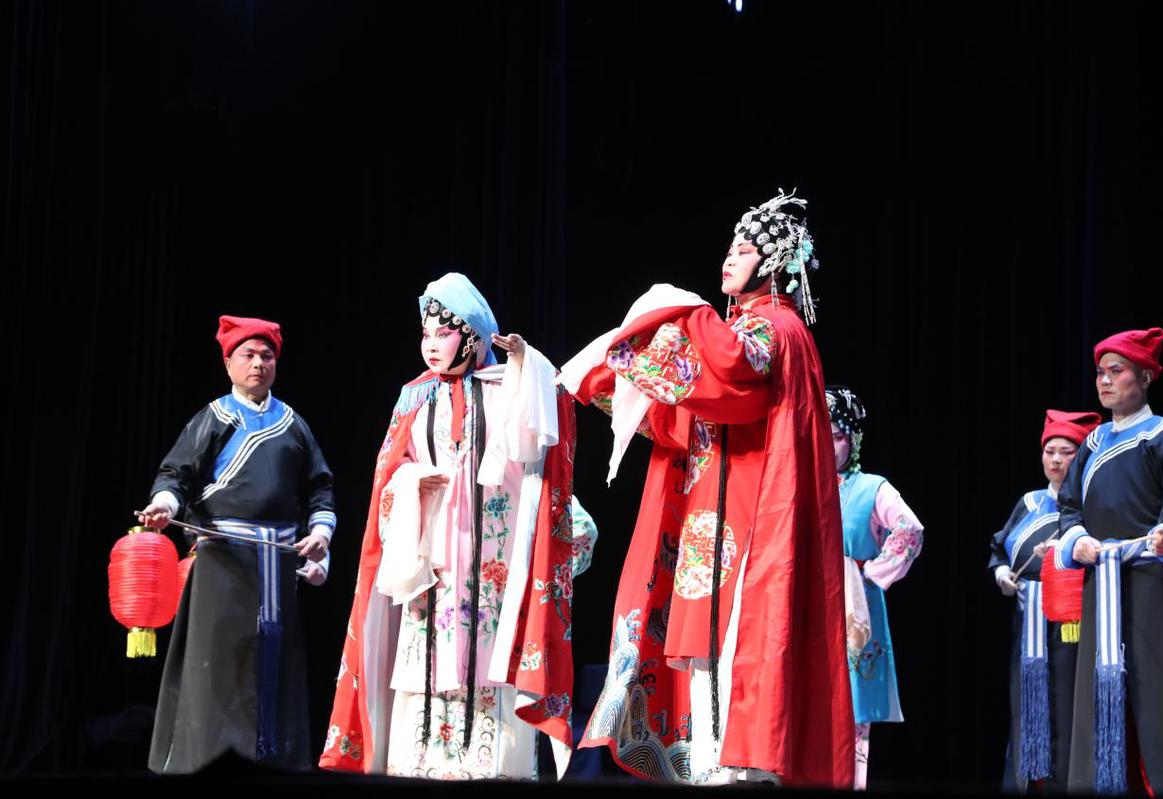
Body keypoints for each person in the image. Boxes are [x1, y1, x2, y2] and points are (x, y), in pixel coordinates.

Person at [560, 190, 854, 787]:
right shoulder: (741, 328)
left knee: (733, 644)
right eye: (729, 248)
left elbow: (732, 369)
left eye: (743, 250)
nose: (728, 258)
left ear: (774, 263)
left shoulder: (777, 329)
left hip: (750, 516)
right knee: (700, 651)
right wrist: (610, 381)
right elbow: (684, 413)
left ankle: (737, 768)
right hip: (707, 515)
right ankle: (709, 767)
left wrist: (683, 311)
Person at [321, 273, 590, 780]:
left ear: (471, 336)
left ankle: (493, 767)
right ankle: (418, 764)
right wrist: (411, 482)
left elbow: (547, 430)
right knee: (426, 654)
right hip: (434, 559)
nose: (430, 345)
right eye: (425, 334)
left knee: (491, 654)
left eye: (442, 334)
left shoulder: (509, 386)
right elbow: (389, 474)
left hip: (493, 556)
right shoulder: (414, 397)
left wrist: (525, 362)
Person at [137, 315, 336, 773]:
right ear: (228, 363)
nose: (258, 363)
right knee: (218, 666)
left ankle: (276, 763)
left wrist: (321, 536)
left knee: (274, 663)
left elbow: (320, 489)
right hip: (222, 561)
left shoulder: (293, 424)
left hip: (277, 564)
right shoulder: (214, 418)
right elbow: (176, 475)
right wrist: (164, 505)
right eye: (248, 355)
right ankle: (206, 764)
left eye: (267, 356)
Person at [1054, 327, 1163, 794]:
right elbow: (1069, 507)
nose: (1105, 381)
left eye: (1116, 371)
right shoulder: (1092, 444)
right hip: (1100, 582)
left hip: (1151, 582)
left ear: (1146, 377)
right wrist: (1076, 539)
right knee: (1093, 699)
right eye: (1100, 373)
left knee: (1161, 697)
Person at [988, 409, 1100, 792]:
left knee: (1067, 704)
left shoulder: (1089, 509)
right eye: (1050, 451)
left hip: (1072, 622)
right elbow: (999, 548)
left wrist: (1063, 552)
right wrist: (1001, 573)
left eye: (1066, 452)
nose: (1055, 460)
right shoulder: (1030, 502)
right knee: (1025, 703)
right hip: (1028, 623)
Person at [826, 385, 925, 790]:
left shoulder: (871, 487)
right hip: (807, 604)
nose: (828, 444)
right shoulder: (796, 485)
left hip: (853, 608)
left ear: (853, 440)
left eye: (837, 436)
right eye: (820, 434)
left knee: (851, 714)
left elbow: (910, 529)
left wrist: (870, 573)